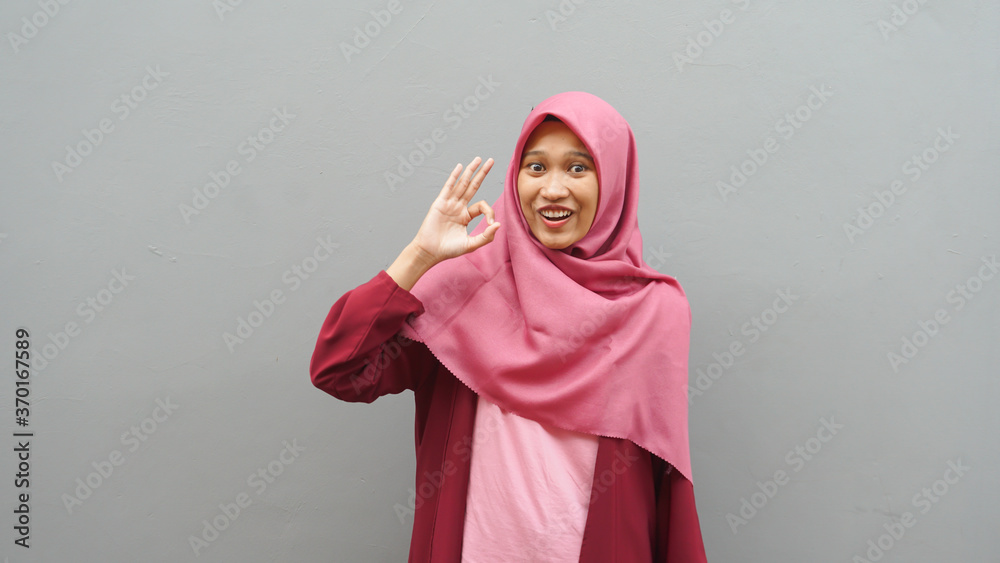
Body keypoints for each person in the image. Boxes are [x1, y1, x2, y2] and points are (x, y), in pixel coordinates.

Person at [310, 91, 708, 562]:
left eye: (578, 168)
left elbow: (668, 489)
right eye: (536, 167)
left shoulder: (652, 313)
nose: (553, 189)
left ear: (615, 182)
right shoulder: (465, 288)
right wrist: (420, 256)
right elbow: (339, 370)